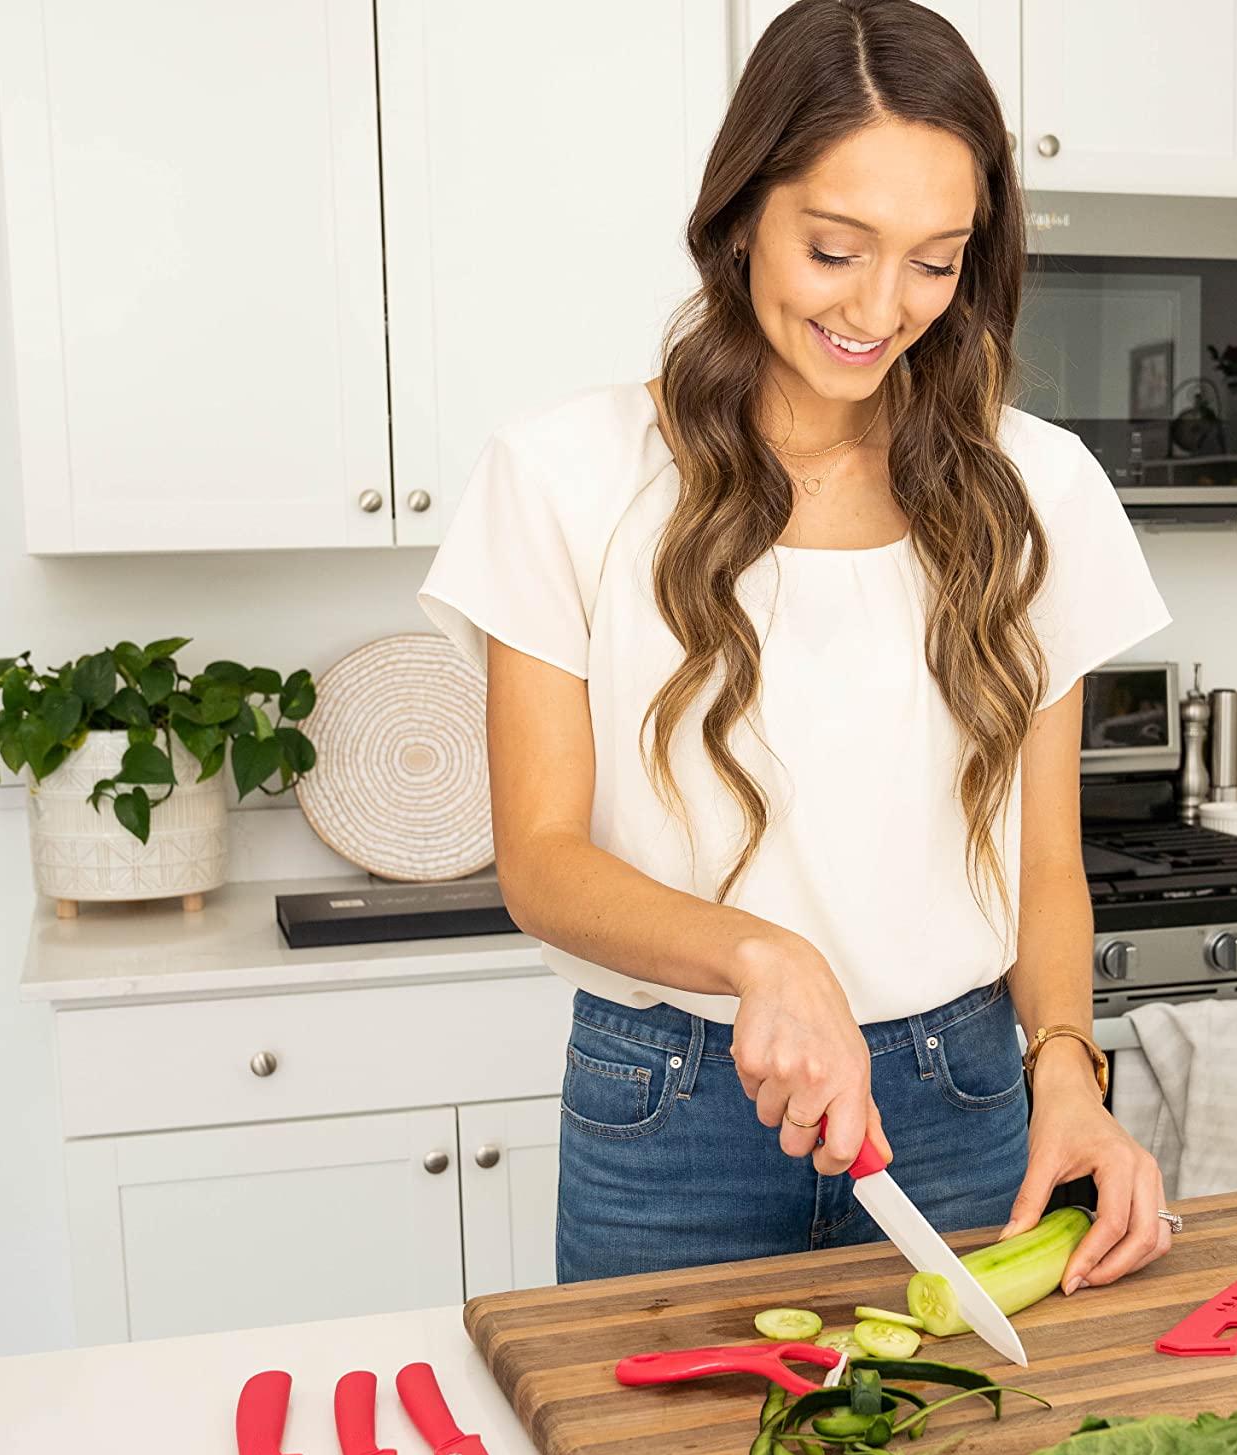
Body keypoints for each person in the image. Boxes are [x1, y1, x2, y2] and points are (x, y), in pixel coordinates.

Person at [418, 0, 1174, 1290]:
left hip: (965, 1104)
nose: (883, 309)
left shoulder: (1037, 487)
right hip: (669, 1112)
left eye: (936, 262)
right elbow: (540, 862)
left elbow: (1046, 859)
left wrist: (1068, 1063)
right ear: (741, 216)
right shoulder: (562, 476)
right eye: (837, 249)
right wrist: (765, 956)